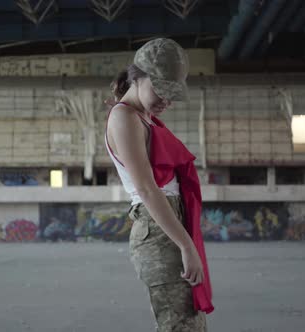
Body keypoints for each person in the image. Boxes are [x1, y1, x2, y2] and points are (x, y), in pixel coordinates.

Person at [104, 38, 214, 331]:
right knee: (181, 325)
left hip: (167, 223)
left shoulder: (143, 117)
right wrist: (186, 245)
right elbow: (147, 188)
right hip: (158, 228)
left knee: (188, 322)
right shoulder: (124, 117)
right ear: (136, 78)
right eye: (160, 91)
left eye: (171, 94)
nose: (166, 101)